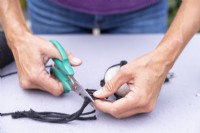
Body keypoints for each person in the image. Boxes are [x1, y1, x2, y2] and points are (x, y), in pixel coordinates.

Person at [0, 0, 200, 119]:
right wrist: (17, 37)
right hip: (52, 8)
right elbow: (20, 39)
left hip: (143, 9)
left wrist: (163, 59)